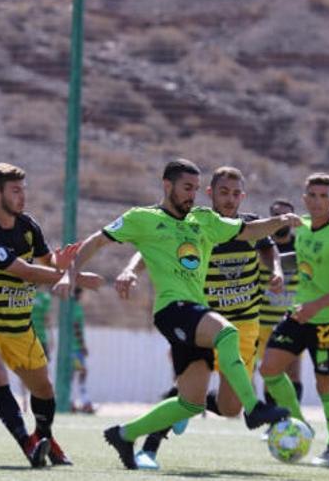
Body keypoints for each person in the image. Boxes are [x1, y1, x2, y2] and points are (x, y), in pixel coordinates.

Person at [53, 158, 299, 470]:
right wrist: (70, 274)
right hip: (173, 309)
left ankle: (124, 435)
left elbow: (249, 230)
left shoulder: (203, 219)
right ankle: (255, 408)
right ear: (166, 185)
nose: (191, 195)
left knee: (191, 402)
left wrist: (281, 222)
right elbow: (97, 241)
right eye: (186, 188)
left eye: (196, 189)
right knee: (227, 333)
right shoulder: (142, 218)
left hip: (195, 312)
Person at [118, 166, 284, 469]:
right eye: (223, 192)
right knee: (192, 384)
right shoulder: (195, 223)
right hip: (207, 318)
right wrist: (130, 269)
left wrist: (276, 271)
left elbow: (268, 248)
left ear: (243, 196)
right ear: (210, 194)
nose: (230, 199)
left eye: (236, 194)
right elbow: (150, 247)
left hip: (245, 324)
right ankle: (150, 448)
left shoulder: (249, 225)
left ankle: (186, 402)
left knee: (231, 408)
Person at [0, 163, 103, 468]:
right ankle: (27, 444)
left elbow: (49, 264)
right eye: (15, 190)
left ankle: (45, 438)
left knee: (44, 389)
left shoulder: (29, 226)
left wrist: (65, 268)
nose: (22, 197)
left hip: (18, 326)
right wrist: (77, 279)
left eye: (24, 190)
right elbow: (26, 270)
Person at [259, 172, 329, 468]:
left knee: (325, 385)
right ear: (304, 199)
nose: (318, 202)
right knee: (269, 368)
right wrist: (281, 277)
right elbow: (293, 258)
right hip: (299, 314)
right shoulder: (300, 226)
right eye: (312, 196)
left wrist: (316, 305)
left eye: (324, 196)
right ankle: (300, 424)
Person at [256, 199, 302, 418]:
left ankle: (293, 417)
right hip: (263, 321)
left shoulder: (300, 247)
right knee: (269, 371)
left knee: (293, 370)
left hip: (290, 319)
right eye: (277, 214)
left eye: (286, 215)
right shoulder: (262, 246)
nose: (282, 219)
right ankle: (276, 419)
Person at [70, 287, 95, 413]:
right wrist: (82, 345)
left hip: (70, 347)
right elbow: (76, 327)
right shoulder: (76, 307)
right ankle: (84, 402)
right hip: (75, 348)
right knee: (82, 372)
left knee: (73, 374)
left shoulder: (68, 306)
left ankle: (73, 402)